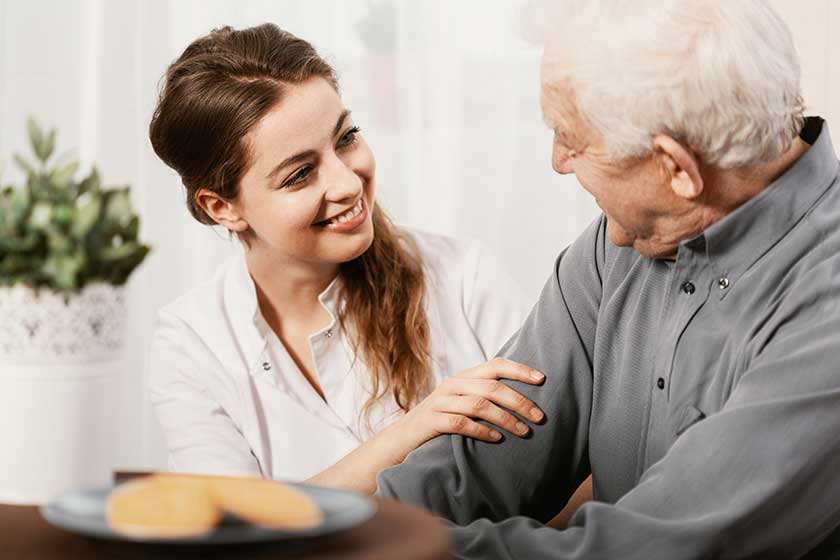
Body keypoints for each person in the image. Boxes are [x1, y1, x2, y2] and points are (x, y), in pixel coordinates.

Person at [376, 0, 840, 557]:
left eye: (570, 137)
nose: (557, 161)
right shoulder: (619, 243)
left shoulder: (825, 306)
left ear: (676, 169)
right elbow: (481, 455)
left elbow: (643, 550)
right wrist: (359, 531)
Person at [146, 23, 545, 494]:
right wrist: (413, 432)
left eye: (346, 137)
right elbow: (235, 527)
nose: (349, 184)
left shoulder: (463, 277)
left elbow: (565, 472)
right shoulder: (191, 344)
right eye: (300, 175)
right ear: (222, 207)